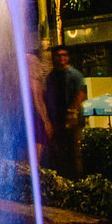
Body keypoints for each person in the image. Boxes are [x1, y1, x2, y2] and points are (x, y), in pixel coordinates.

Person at [45, 45, 87, 177]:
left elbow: (81, 93)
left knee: (74, 152)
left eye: (64, 55)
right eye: (59, 55)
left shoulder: (74, 74)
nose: (62, 58)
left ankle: (75, 179)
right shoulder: (51, 77)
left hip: (71, 120)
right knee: (58, 153)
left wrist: (73, 112)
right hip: (56, 120)